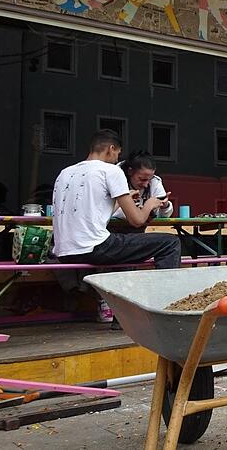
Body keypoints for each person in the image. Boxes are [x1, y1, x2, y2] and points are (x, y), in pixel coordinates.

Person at [52, 130, 181, 326]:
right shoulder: (111, 171)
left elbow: (96, 212)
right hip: (93, 248)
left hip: (64, 252)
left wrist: (121, 200)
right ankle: (165, 311)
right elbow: (137, 220)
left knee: (125, 249)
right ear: (111, 149)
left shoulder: (65, 173)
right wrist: (149, 204)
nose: (117, 159)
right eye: (118, 154)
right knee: (170, 243)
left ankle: (122, 320)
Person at [113, 151, 173, 221]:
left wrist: (165, 206)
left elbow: (163, 216)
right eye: (142, 179)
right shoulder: (115, 179)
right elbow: (106, 212)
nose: (146, 185)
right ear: (130, 171)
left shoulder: (155, 181)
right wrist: (141, 211)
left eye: (149, 179)